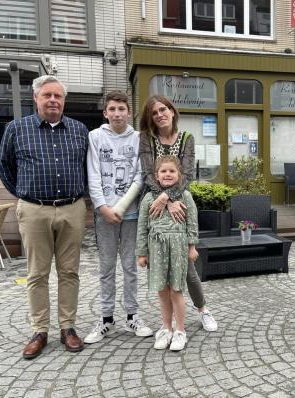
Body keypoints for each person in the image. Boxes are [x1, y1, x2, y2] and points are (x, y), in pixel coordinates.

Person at [0, 75, 88, 359]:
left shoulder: (79, 130)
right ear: (35, 98)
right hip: (34, 209)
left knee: (69, 271)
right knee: (37, 273)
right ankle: (40, 330)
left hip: (73, 208)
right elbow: (5, 167)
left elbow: (88, 167)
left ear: (64, 100)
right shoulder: (16, 128)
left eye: (57, 96)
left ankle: (68, 327)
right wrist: (26, 196)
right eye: (47, 95)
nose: (52, 100)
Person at [138, 95, 217, 332]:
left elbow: (188, 174)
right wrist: (161, 198)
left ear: (172, 111)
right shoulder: (146, 139)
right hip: (154, 205)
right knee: (162, 272)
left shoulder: (186, 138)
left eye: (163, 109)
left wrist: (169, 198)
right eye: (154, 112)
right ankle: (168, 325)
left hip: (181, 204)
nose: (160, 114)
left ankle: (202, 310)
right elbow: (147, 174)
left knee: (188, 269)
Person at [84, 91, 153, 344]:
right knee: (106, 268)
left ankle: (132, 315)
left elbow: (139, 175)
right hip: (103, 214)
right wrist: (102, 206)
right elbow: (92, 174)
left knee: (130, 267)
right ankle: (106, 319)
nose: (116, 114)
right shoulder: (95, 137)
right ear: (105, 112)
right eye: (112, 109)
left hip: (131, 213)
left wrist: (122, 207)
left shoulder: (139, 138)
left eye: (121, 109)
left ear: (129, 112)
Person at [136, 155, 199, 351]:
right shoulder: (148, 198)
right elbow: (142, 226)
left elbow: (192, 222)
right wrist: (142, 252)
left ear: (179, 175)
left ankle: (180, 331)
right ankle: (166, 328)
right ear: (156, 175)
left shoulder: (185, 196)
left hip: (178, 247)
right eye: (163, 171)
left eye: (172, 171)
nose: (168, 174)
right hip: (156, 248)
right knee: (162, 291)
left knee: (176, 290)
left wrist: (192, 246)